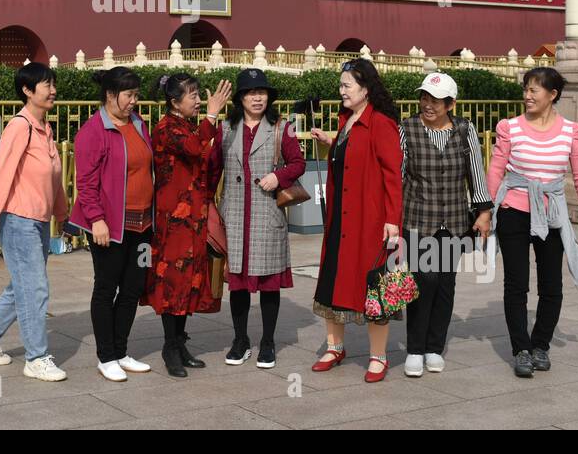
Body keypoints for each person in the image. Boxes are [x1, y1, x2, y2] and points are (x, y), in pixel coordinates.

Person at [0, 63, 69, 382]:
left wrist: (61, 213)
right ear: (27, 90)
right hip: (18, 220)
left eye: (52, 84)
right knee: (35, 288)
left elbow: (54, 177)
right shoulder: (19, 127)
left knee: (21, 287)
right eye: (45, 85)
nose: (52, 91)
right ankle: (37, 358)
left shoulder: (44, 129)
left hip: (38, 220)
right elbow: (2, 173)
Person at [487, 66, 578, 379]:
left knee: (551, 286)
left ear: (552, 95)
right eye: (526, 89)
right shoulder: (510, 128)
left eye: (534, 90)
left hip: (552, 215)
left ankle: (540, 346)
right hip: (514, 211)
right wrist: (487, 211)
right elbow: (495, 170)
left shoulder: (570, 131)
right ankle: (520, 349)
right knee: (516, 284)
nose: (527, 96)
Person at [308, 59, 402, 383]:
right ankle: (335, 347)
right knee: (332, 280)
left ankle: (379, 356)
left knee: (375, 285)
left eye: (347, 85)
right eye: (341, 85)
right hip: (340, 219)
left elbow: (393, 176)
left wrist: (393, 221)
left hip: (370, 220)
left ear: (365, 88)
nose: (342, 91)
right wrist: (330, 142)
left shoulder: (381, 123)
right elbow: (349, 157)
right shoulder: (346, 120)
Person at [208, 68, 305, 369]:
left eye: (261, 92)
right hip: (235, 214)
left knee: (268, 284)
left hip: (266, 214)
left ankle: (268, 342)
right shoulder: (226, 128)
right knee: (237, 284)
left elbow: (298, 162)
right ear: (240, 98)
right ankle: (240, 340)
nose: (257, 97)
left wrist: (278, 176)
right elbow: (213, 167)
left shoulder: (282, 128)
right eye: (251, 93)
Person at [397, 72, 492, 378]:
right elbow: (397, 176)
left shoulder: (465, 130)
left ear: (451, 103)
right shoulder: (407, 129)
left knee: (446, 284)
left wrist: (483, 211)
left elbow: (476, 171)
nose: (428, 105)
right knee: (425, 280)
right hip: (418, 218)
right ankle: (414, 348)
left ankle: (434, 347)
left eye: (436, 101)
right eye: (424, 98)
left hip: (453, 219)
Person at [69, 67, 155, 382]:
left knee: (133, 288)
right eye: (129, 95)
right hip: (109, 225)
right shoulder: (93, 131)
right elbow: (86, 183)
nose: (134, 101)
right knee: (106, 288)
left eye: (136, 94)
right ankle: (106, 356)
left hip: (143, 223)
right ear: (110, 95)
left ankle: (121, 351)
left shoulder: (138, 124)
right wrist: (96, 220)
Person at [143, 73, 232, 377]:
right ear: (174, 102)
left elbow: (205, 158)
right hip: (174, 219)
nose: (197, 100)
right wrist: (211, 113)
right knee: (173, 279)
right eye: (191, 95)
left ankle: (180, 342)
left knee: (190, 278)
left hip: (193, 217)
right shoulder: (167, 128)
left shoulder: (187, 126)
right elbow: (194, 149)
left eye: (197, 94)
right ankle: (170, 346)